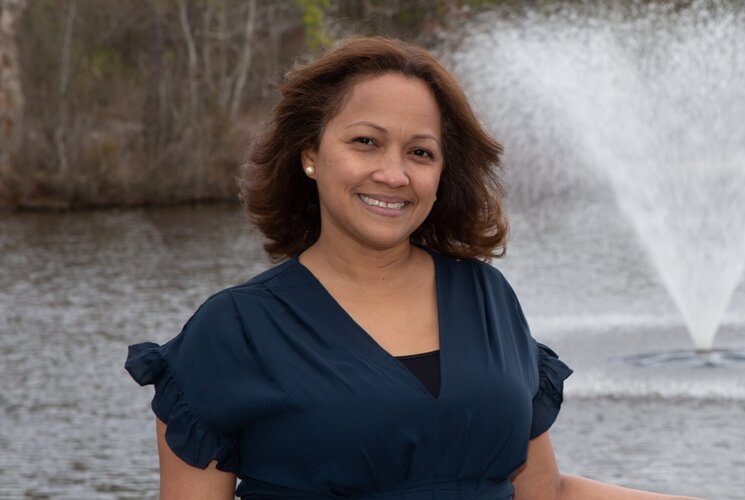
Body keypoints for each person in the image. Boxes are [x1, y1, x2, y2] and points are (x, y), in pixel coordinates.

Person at [126, 37, 702, 500]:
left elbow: (543, 491)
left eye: (420, 153)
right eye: (366, 142)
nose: (394, 174)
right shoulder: (234, 331)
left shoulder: (486, 296)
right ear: (310, 154)